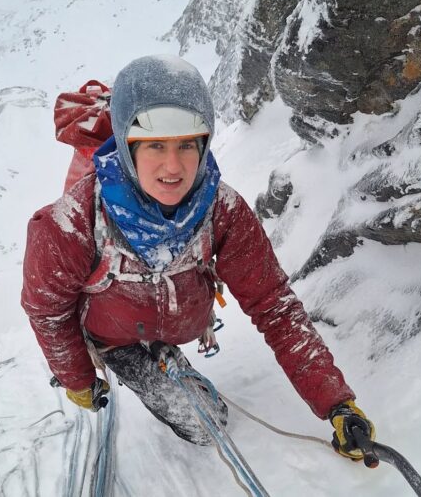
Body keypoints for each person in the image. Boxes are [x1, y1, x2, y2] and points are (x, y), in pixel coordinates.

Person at [21, 54, 375, 456]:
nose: (173, 167)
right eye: (155, 144)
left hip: (174, 320)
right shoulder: (69, 224)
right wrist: (78, 378)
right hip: (113, 333)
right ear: (125, 145)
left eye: (187, 145)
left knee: (210, 423)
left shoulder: (222, 210)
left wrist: (336, 403)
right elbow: (47, 311)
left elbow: (273, 304)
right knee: (208, 427)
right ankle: (128, 357)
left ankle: (157, 349)